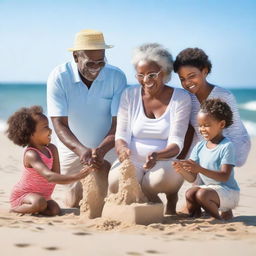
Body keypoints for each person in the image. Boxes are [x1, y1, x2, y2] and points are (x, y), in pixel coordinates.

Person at [108, 43, 191, 214]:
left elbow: (177, 143)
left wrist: (157, 155)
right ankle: (149, 197)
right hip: (134, 161)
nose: (146, 80)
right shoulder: (129, 95)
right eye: (140, 75)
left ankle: (170, 196)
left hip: (165, 161)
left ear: (165, 72)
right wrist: (122, 148)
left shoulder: (181, 98)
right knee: (115, 181)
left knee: (156, 181)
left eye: (152, 74)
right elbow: (121, 135)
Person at [47, 29, 127, 208]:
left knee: (109, 199)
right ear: (76, 57)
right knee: (74, 202)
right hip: (72, 147)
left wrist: (101, 149)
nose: (97, 68)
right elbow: (59, 123)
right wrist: (82, 150)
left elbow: (119, 123)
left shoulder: (117, 76)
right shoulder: (59, 77)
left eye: (101, 62)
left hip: (109, 146)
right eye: (91, 64)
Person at [6, 106, 90, 216]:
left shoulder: (52, 149)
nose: (50, 130)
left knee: (55, 210)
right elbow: (49, 176)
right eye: (45, 127)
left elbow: (56, 176)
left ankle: (35, 208)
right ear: (31, 134)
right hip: (24, 195)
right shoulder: (31, 154)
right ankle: (15, 210)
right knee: (39, 202)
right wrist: (77, 176)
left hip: (43, 196)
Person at [173, 47, 251, 166]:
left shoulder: (224, 95)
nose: (187, 82)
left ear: (204, 71)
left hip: (230, 145)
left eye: (192, 76)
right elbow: (189, 129)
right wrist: (181, 157)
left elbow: (235, 131)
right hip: (202, 147)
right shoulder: (186, 97)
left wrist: (221, 156)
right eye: (182, 79)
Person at [173, 99, 240, 220]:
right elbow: (192, 177)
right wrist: (181, 170)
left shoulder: (226, 146)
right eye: (200, 125)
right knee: (190, 193)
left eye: (207, 125)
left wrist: (199, 169)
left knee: (201, 194)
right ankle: (196, 216)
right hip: (210, 190)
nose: (202, 129)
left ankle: (217, 218)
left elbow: (224, 176)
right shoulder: (199, 146)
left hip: (228, 192)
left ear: (221, 125)